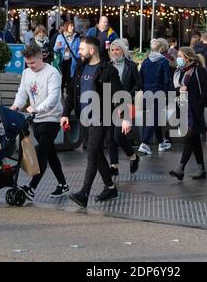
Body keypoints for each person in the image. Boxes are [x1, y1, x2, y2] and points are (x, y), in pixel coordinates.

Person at [61, 36, 127, 208]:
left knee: (91, 153)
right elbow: (71, 92)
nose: (79, 52)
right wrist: (65, 113)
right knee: (96, 154)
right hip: (83, 117)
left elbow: (119, 95)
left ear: (92, 50)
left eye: (82, 49)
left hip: (100, 117)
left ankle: (84, 193)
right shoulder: (80, 68)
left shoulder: (108, 70)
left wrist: (125, 117)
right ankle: (110, 187)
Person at [11, 45, 69, 200]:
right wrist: (16, 105)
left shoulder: (52, 73)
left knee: (41, 153)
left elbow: (53, 97)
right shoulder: (26, 73)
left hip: (51, 118)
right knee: (50, 154)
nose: (30, 66)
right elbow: (22, 92)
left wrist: (37, 108)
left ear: (41, 57)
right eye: (27, 63)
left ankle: (32, 188)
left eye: (33, 63)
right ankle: (63, 185)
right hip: (35, 118)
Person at [169, 47, 207, 181]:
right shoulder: (178, 72)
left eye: (180, 56)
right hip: (182, 109)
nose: (178, 58)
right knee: (194, 140)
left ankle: (180, 169)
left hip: (195, 110)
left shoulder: (199, 70)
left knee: (188, 137)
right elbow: (172, 90)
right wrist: (179, 89)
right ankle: (201, 169)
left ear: (187, 58)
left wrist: (199, 103)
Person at [107, 39, 141, 178]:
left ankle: (132, 156)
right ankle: (113, 165)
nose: (115, 52)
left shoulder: (131, 66)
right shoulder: (107, 66)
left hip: (125, 103)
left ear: (123, 50)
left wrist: (128, 95)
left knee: (118, 135)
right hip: (108, 103)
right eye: (112, 50)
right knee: (110, 136)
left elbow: (138, 84)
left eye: (117, 49)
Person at [138, 38, 171, 155]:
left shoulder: (146, 61)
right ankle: (144, 143)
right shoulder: (164, 61)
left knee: (154, 116)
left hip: (147, 92)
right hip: (159, 92)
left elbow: (140, 77)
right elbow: (167, 80)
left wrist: (144, 89)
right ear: (162, 49)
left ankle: (161, 142)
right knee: (155, 117)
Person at [54, 21, 80, 93]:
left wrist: (77, 57)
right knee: (61, 78)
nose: (72, 27)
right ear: (66, 27)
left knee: (70, 78)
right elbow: (55, 49)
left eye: (73, 26)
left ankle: (69, 95)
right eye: (70, 26)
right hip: (63, 60)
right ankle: (60, 94)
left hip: (72, 61)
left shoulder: (76, 37)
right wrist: (58, 47)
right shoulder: (60, 36)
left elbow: (79, 49)